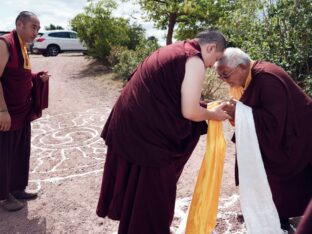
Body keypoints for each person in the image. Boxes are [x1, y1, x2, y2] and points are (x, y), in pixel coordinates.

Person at [96, 29, 229, 233]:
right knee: (153, 199)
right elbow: (190, 111)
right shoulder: (194, 60)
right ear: (210, 47)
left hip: (130, 126)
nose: (211, 66)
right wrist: (214, 115)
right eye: (216, 58)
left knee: (141, 195)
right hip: (146, 137)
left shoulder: (173, 49)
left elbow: (172, 96)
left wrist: (207, 107)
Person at [214, 47, 312, 231]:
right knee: (269, 171)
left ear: (242, 67)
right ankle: (275, 212)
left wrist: (239, 112)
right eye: (220, 77)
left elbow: (275, 121)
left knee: (285, 174)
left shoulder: (266, 78)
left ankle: (280, 215)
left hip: (298, 132)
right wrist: (239, 113)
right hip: (281, 132)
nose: (224, 81)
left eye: (225, 75)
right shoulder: (250, 78)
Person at [0, 11, 49, 212]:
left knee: (20, 151)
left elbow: (21, 75)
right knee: (4, 154)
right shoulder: (5, 44)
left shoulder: (23, 46)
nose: (36, 32)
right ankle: (5, 196)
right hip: (7, 112)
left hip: (21, 111)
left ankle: (17, 188)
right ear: (20, 24)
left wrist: (38, 77)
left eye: (38, 29)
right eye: (33, 27)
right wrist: (2, 110)